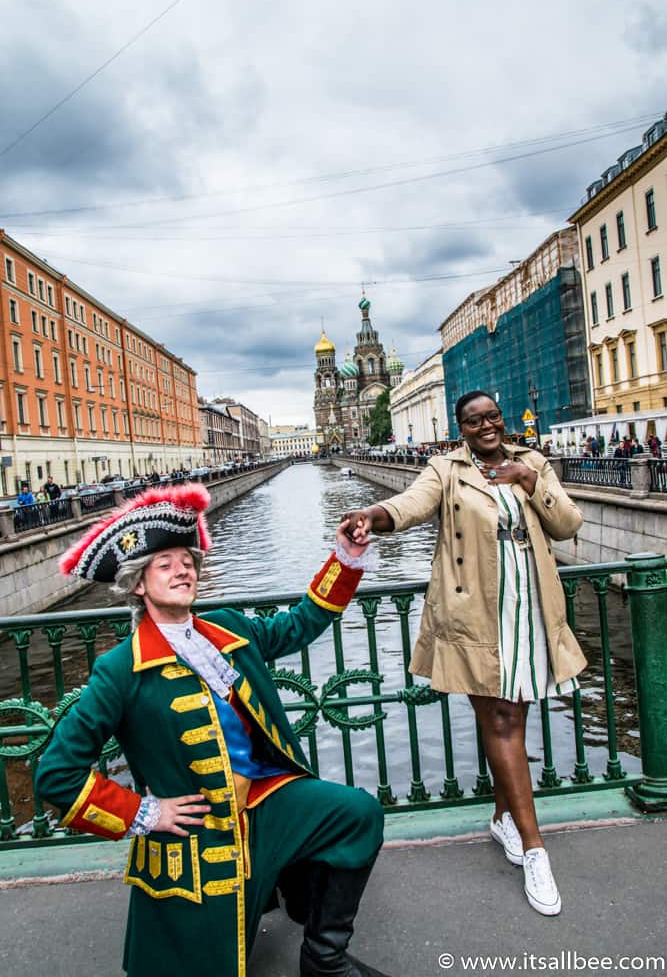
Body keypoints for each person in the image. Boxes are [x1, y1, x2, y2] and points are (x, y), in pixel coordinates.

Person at [35, 484, 389, 977]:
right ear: (138, 584)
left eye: (187, 560)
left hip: (266, 796)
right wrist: (145, 812)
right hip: (200, 829)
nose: (183, 569)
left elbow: (302, 621)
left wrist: (346, 558)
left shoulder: (227, 627)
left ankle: (323, 959)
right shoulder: (119, 670)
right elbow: (56, 774)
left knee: (359, 814)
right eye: (165, 564)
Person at [342, 390, 587, 918]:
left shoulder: (533, 463)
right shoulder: (445, 469)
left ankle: (504, 820)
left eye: (492, 417)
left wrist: (532, 483)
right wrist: (371, 516)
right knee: (501, 721)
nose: (486, 426)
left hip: (531, 605)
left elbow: (568, 525)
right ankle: (535, 850)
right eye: (474, 421)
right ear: (461, 428)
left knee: (512, 717)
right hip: (475, 610)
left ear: (503, 419)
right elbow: (409, 506)